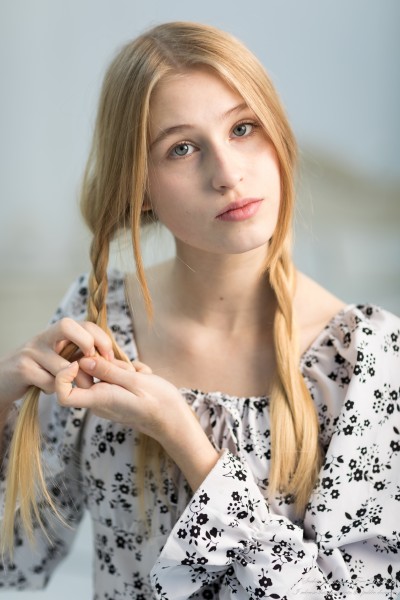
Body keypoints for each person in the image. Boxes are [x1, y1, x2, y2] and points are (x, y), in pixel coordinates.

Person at [0, 20, 399, 600]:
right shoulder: (101, 324)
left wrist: (186, 441)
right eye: (182, 148)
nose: (228, 174)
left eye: (243, 128)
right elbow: (15, 561)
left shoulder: (371, 362)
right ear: (139, 187)